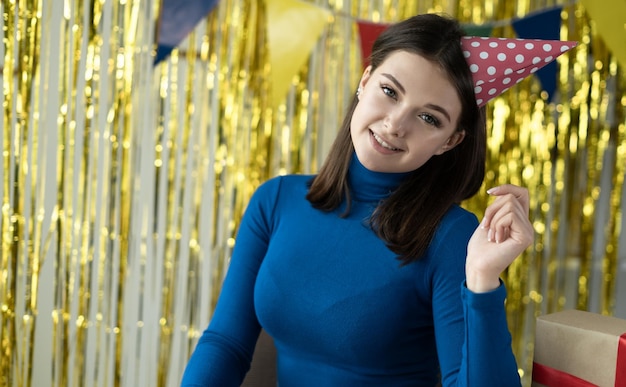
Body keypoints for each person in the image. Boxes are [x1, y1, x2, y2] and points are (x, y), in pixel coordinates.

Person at [181, 13, 575, 386]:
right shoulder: (275, 201)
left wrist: (483, 281)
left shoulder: (453, 238)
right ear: (365, 80)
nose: (395, 124)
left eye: (429, 118)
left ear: (450, 141)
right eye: (390, 91)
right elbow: (226, 344)